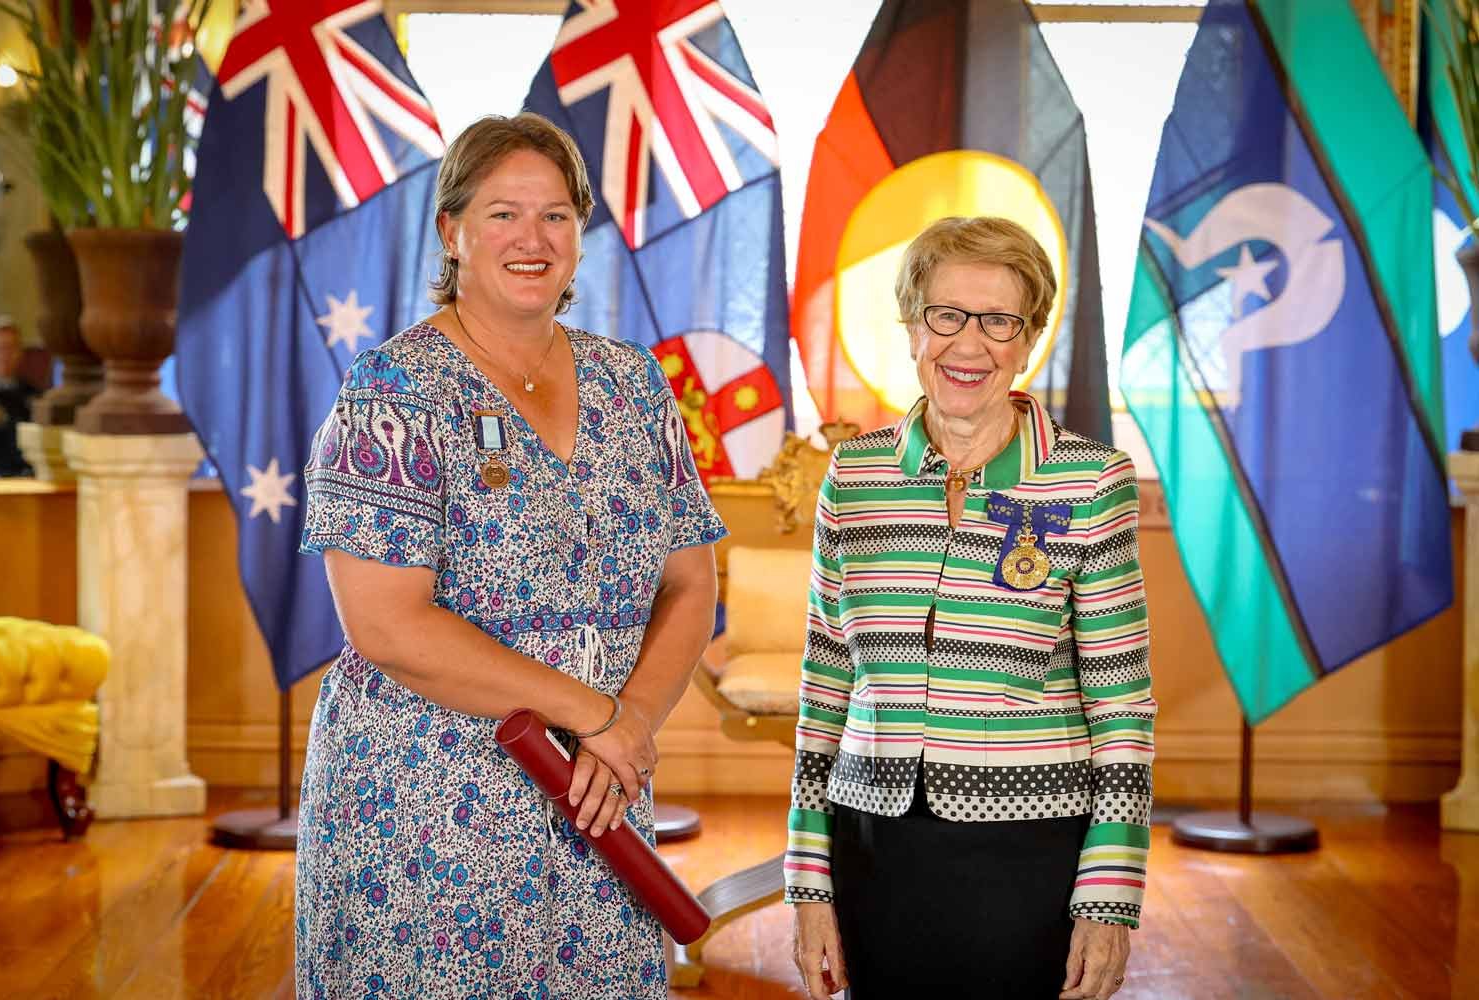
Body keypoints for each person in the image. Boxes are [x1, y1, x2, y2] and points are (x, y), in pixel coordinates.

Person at [295, 112, 725, 999]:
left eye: (556, 215)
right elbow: (387, 626)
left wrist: (630, 726)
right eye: (503, 214)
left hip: (601, 788)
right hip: (427, 799)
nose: (533, 238)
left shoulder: (635, 384)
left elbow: (690, 584)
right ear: (451, 231)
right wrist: (595, 714)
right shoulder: (393, 391)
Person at [785, 217, 1156, 999]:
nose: (969, 343)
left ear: (1030, 340)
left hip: (1031, 848)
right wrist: (808, 881)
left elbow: (1122, 707)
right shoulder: (854, 478)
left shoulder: (1091, 482)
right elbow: (824, 692)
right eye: (946, 315)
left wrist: (1110, 897)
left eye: (999, 321)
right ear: (912, 328)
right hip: (872, 844)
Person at [0, 316, 38, 478]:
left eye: (10, 348)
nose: (4, 355)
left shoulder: (34, 395)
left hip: (28, 477)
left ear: (20, 353)